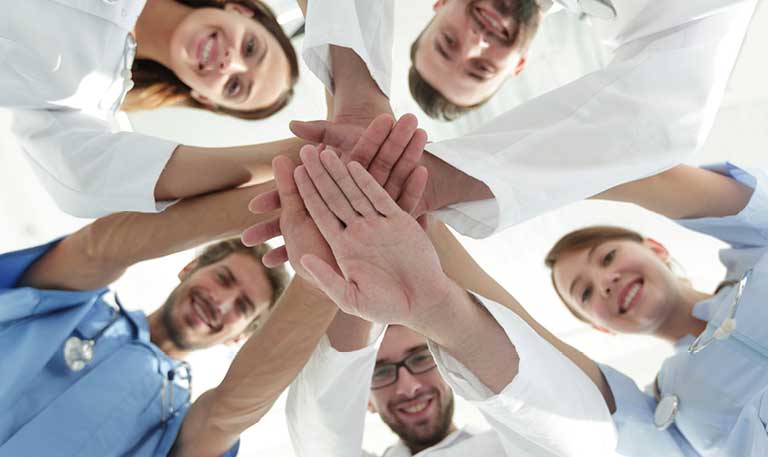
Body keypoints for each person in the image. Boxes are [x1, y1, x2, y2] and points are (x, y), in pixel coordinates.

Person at [252, 145, 619, 457]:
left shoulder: (504, 447)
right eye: (381, 372)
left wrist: (435, 308)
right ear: (364, 400)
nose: (408, 386)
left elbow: (588, 442)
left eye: (421, 358)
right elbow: (318, 440)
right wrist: (341, 275)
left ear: (449, 370)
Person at [292, 0, 758, 241]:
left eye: (449, 41)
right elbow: (668, 113)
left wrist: (357, 92)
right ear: (518, 64)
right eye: (482, 68)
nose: (476, 43)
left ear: (439, 5)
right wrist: (442, 181)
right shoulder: (642, 17)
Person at [543, 162, 768, 455]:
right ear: (601, 327)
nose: (605, 283)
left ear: (656, 248)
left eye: (608, 257)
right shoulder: (659, 416)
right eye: (585, 293)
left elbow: (660, 179)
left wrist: (544, 180)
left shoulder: (758, 249)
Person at [2, 0, 301, 217]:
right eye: (250, 48)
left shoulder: (90, 103)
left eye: (234, 86)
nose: (230, 64)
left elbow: (83, 182)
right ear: (239, 9)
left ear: (205, 98)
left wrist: (295, 156)